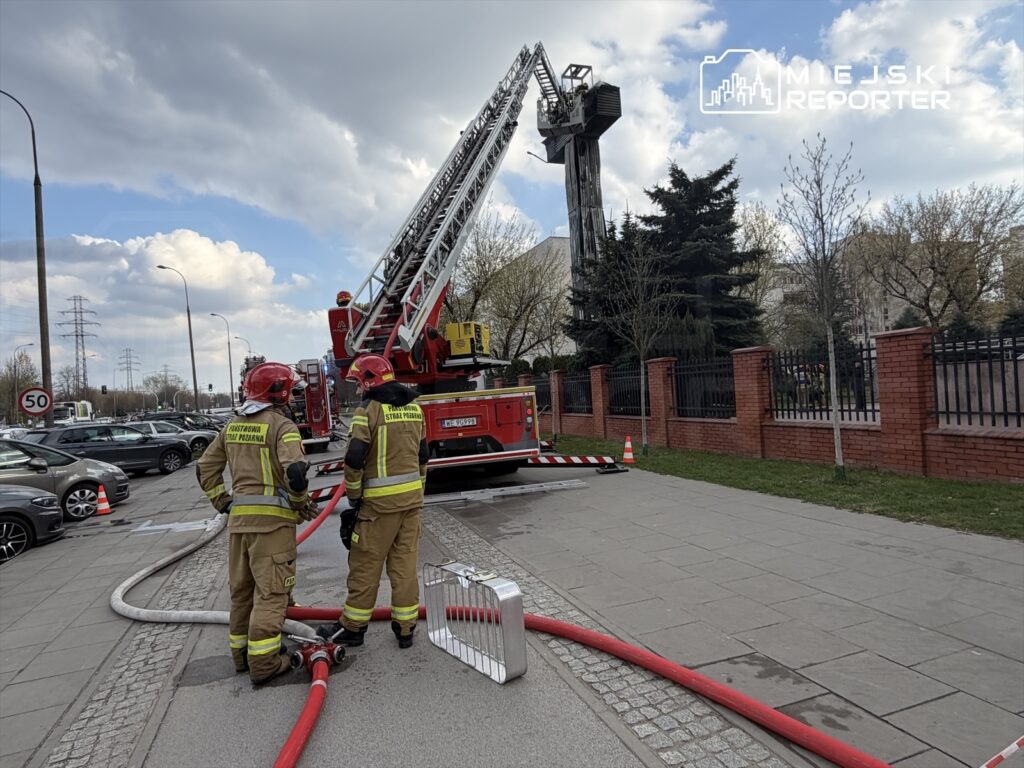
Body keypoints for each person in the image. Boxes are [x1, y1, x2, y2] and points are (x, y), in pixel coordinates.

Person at [196, 362, 319, 685]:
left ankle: (241, 656)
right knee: (272, 594)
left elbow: (204, 467)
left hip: (240, 525)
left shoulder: (232, 426)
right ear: (279, 393)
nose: (293, 396)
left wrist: (223, 502)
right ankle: (264, 662)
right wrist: (299, 503)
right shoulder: (282, 426)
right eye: (290, 390)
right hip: (272, 527)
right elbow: (295, 473)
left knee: (242, 593)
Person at [317, 354, 428, 649]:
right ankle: (406, 628)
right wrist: (417, 493)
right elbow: (423, 457)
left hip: (377, 508)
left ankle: (353, 627)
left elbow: (354, 459)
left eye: (358, 382)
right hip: (410, 504)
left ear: (369, 380)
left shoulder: (368, 411)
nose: (357, 389)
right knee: (405, 567)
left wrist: (355, 497)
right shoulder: (415, 409)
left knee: (365, 565)